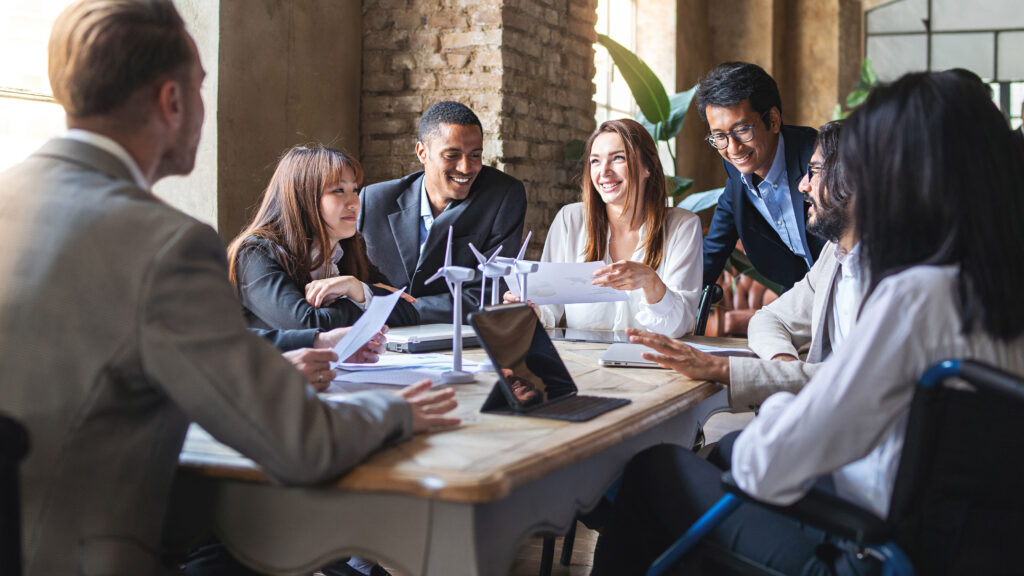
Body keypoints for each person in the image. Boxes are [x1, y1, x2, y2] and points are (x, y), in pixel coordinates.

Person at [0, 2, 458, 574]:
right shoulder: (167, 244)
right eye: (200, 90)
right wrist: (395, 414)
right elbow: (299, 441)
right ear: (172, 101)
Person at [591, 70, 1024, 575]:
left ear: (911, 178)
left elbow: (769, 466)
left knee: (656, 473)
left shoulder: (916, 296)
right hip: (963, 551)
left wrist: (780, 406)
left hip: (866, 550)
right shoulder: (993, 287)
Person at [630, 121, 860, 412]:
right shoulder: (835, 256)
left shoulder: (897, 281)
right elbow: (767, 319)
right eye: (719, 136)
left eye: (813, 172)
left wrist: (721, 369)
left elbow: (854, 381)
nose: (803, 185)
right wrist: (782, 365)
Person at [505, 119, 702, 338]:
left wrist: (651, 282)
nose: (604, 171)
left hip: (652, 366)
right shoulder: (570, 220)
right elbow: (549, 308)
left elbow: (679, 326)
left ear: (649, 166)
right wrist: (533, 310)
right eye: (595, 161)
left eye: (618, 158)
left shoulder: (682, 226)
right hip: (581, 366)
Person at [357, 101, 527, 323]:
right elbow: (355, 278)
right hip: (377, 337)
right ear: (422, 152)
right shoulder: (374, 200)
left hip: (458, 338)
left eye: (475, 155)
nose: (466, 167)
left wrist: (396, 310)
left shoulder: (502, 196)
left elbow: (489, 292)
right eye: (452, 155)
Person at [228, 145, 418, 332]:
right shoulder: (255, 254)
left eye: (354, 190)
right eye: (339, 190)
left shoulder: (346, 248)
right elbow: (307, 325)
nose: (354, 203)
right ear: (303, 197)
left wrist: (357, 288)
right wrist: (356, 299)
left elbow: (409, 313)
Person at [698, 62, 825, 293]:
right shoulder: (737, 173)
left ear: (773, 120)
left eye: (743, 129)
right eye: (719, 136)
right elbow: (713, 250)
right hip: (801, 293)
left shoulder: (818, 158)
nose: (733, 148)